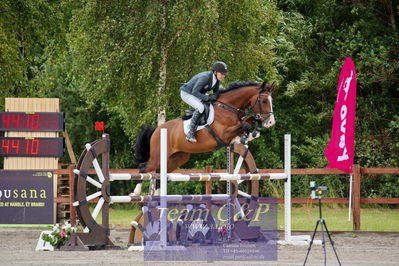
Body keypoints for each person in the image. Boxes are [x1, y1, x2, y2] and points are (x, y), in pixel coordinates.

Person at [180, 61, 228, 143]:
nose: (223, 76)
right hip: (187, 93)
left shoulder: (216, 79)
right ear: (215, 72)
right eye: (222, 74)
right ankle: (190, 133)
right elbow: (195, 92)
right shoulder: (205, 77)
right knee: (201, 107)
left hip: (198, 93)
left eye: (224, 74)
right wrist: (207, 97)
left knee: (210, 105)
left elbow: (216, 93)